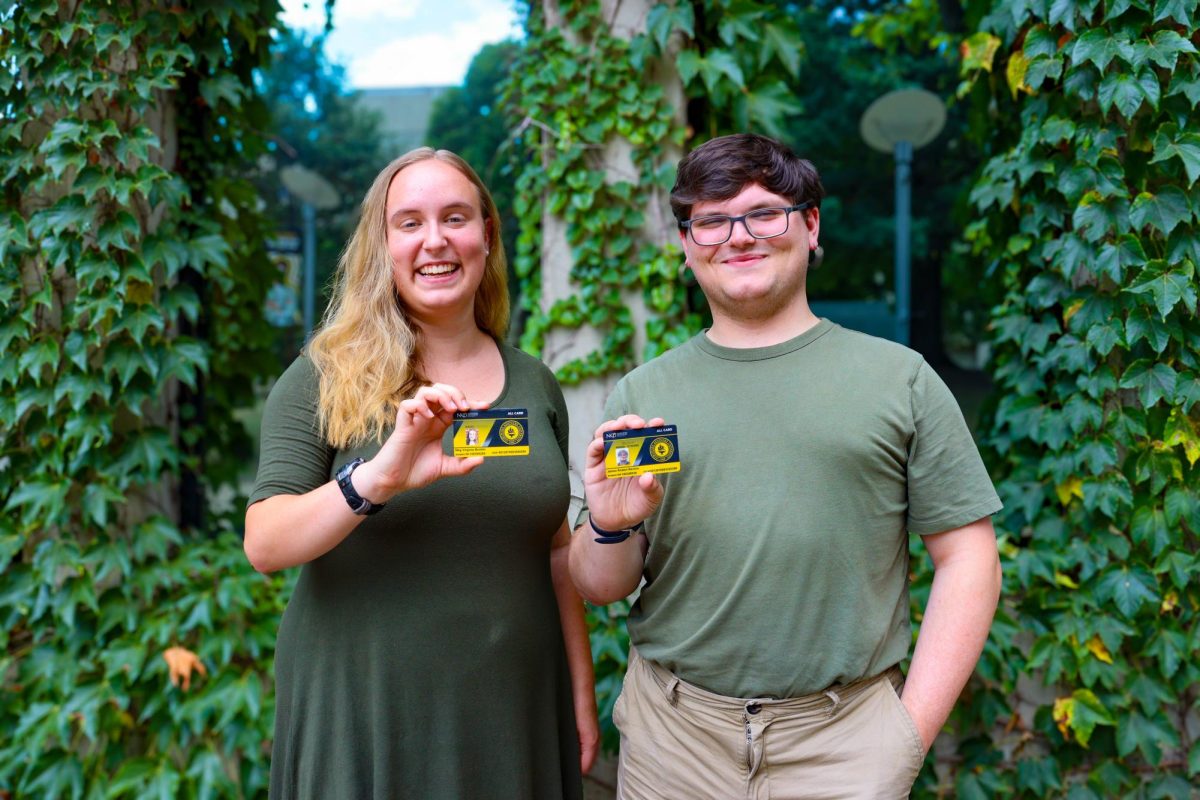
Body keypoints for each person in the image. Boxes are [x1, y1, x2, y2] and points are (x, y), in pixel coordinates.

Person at [569, 133, 1002, 799]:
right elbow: (602, 586)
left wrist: (907, 735)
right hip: (674, 745)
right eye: (711, 221)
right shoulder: (641, 397)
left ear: (810, 225)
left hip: (845, 743)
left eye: (764, 212)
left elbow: (969, 559)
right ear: (686, 247)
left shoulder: (899, 380)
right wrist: (608, 527)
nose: (738, 237)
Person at [245, 148, 598, 799]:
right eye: (409, 222)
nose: (435, 240)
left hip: (513, 713)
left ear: (486, 236)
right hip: (365, 718)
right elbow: (265, 544)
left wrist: (579, 688)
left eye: (456, 218)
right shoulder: (324, 377)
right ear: (383, 245)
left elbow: (553, 551)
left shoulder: (535, 383)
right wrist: (375, 479)